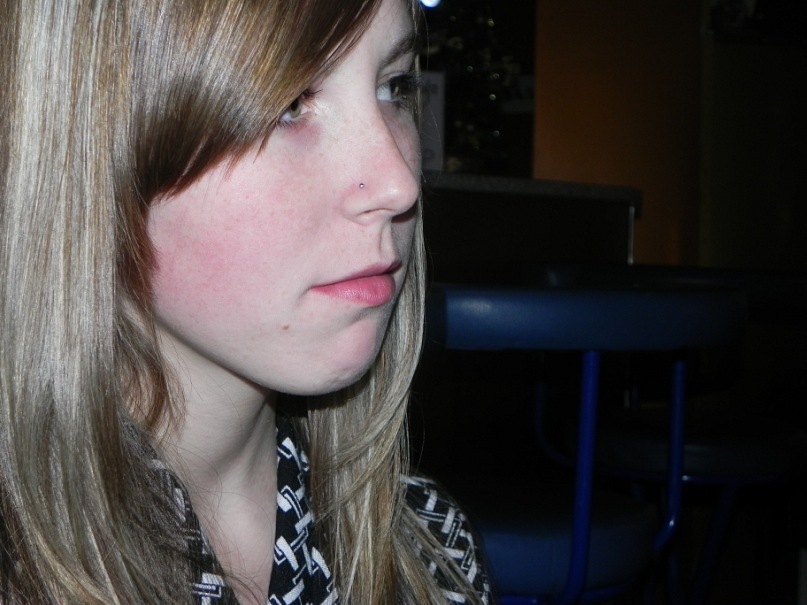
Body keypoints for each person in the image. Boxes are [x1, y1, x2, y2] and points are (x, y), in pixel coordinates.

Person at [0, 0, 492, 603]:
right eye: (290, 104)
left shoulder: (432, 553)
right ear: (86, 140)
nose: (399, 183)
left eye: (393, 87)